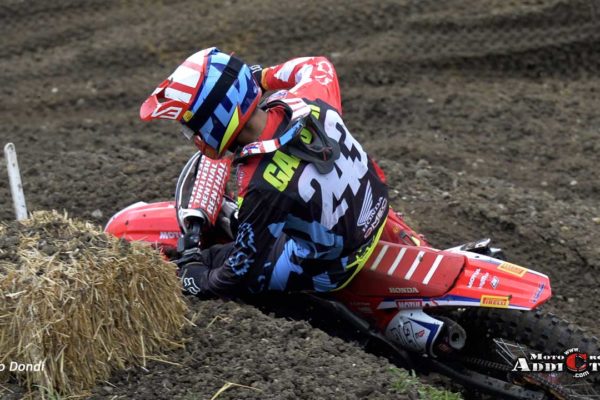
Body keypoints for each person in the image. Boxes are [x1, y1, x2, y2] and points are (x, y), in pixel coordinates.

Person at [140, 47, 389, 297]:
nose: (192, 136)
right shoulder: (309, 98)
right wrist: (264, 76)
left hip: (335, 266)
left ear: (215, 120)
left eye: (191, 128)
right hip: (375, 207)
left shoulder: (260, 184)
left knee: (213, 259)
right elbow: (318, 65)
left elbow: (237, 272)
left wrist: (198, 279)